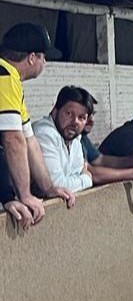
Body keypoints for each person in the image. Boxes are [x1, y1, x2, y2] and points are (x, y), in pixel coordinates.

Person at [0, 23, 75, 230]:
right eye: (44, 57)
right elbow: (12, 140)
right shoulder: (3, 76)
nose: (45, 63)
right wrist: (24, 195)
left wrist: (49, 188)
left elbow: (28, 139)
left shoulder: (12, 80)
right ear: (32, 58)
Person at [33, 86, 96, 192]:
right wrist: (87, 179)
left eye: (81, 117)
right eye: (69, 114)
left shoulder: (75, 138)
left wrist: (78, 179)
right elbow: (56, 186)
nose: (75, 121)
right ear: (54, 111)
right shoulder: (44, 133)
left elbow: (76, 174)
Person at [80, 111, 133, 185]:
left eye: (92, 114)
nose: (91, 120)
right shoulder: (127, 135)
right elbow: (93, 174)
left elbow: (100, 159)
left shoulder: (81, 138)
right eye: (82, 116)